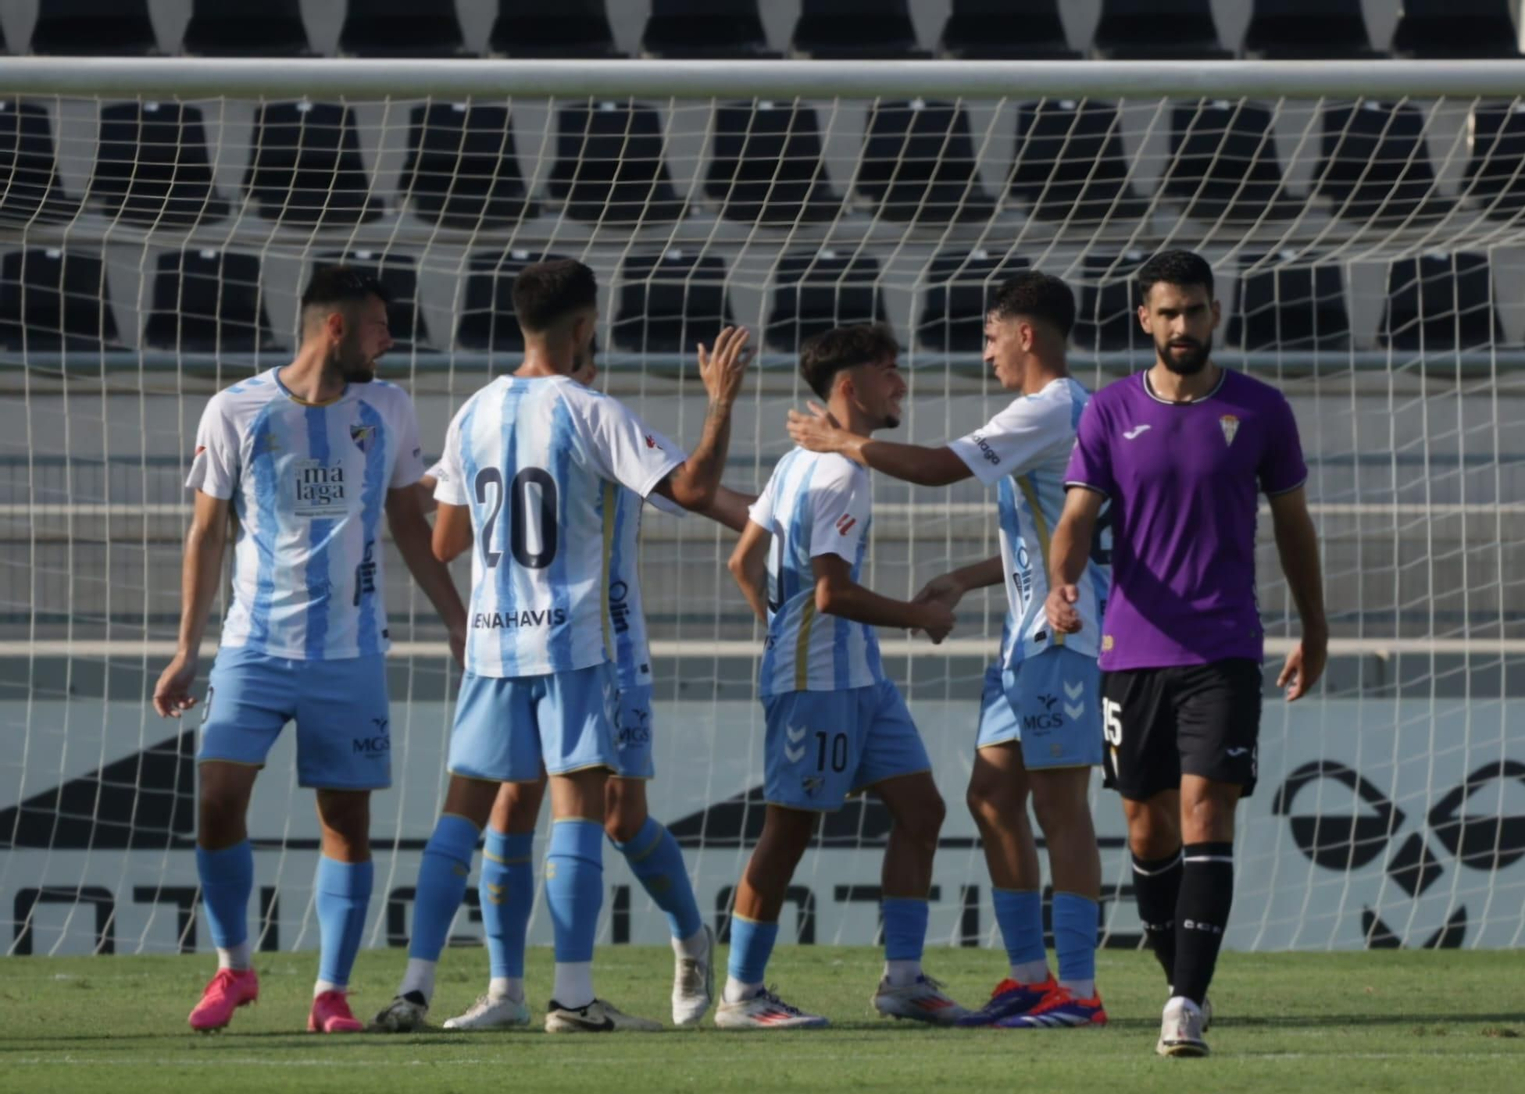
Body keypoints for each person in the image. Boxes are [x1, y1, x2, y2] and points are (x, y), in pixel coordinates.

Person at [378, 258, 746, 1034]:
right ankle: (558, 995)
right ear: (585, 327)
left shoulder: (473, 412)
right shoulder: (592, 410)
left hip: (493, 645)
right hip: (579, 643)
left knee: (479, 813)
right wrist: (720, 407)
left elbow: (443, 539)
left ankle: (419, 986)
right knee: (562, 811)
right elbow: (690, 489)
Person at [787, 272, 1110, 1029]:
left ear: (1027, 335)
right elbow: (1053, 532)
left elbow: (935, 469)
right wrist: (967, 577)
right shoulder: (1052, 412)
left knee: (1061, 806)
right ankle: (1031, 979)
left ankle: (1082, 992)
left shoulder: (1054, 406)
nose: (987, 350)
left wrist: (844, 442)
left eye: (993, 335)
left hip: (1064, 633)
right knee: (992, 798)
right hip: (1023, 639)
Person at [152, 267, 468, 1034]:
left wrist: (459, 621)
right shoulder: (238, 408)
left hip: (349, 653)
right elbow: (205, 532)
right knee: (218, 802)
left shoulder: (386, 407)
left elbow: (406, 522)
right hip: (252, 650)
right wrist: (185, 648)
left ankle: (331, 991)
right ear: (335, 327)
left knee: (345, 823)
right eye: (378, 327)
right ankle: (234, 969)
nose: (389, 340)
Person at [1046, 248, 1328, 1058]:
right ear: (1145, 319)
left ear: (1214, 314)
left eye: (1194, 310)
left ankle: (1184, 1003)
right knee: (1145, 830)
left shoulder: (1261, 409)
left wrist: (1315, 628)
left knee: (1210, 811)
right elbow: (1074, 517)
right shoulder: (1106, 411)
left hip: (1224, 647)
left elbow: (1294, 527)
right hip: (1129, 652)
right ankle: (1184, 982)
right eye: (1167, 312)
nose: (1181, 325)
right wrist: (1062, 583)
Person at [722, 324, 962, 1029]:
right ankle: (740, 995)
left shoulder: (799, 460)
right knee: (787, 833)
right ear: (850, 386)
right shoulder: (836, 471)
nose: (902, 383)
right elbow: (832, 595)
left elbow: (742, 563)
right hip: (819, 683)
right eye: (889, 371)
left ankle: (904, 981)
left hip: (858, 678)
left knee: (922, 812)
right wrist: (919, 614)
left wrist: (774, 631)